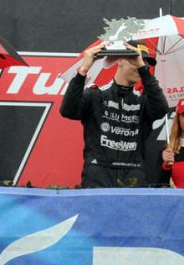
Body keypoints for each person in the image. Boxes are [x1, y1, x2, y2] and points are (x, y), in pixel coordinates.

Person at [60, 42, 168, 187]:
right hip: (98, 174)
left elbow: (161, 109)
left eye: (145, 64)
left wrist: (142, 68)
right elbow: (68, 110)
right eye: (134, 59)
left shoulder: (144, 102)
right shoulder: (95, 95)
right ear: (120, 60)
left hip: (133, 175)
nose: (140, 65)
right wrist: (84, 69)